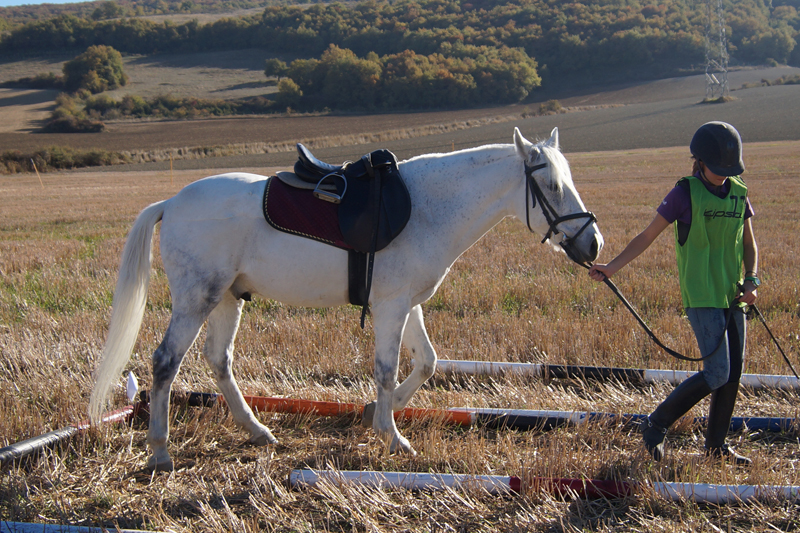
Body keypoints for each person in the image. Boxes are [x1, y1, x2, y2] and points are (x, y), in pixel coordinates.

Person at [589, 121, 759, 465]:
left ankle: (716, 448)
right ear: (698, 160)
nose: (723, 175)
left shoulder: (739, 191)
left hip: (734, 297)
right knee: (717, 373)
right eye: (717, 168)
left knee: (732, 375)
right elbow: (647, 236)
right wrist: (611, 267)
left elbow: (750, 243)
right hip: (702, 296)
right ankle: (657, 424)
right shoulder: (684, 193)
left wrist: (753, 279)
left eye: (729, 169)